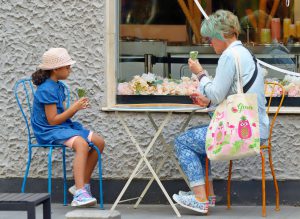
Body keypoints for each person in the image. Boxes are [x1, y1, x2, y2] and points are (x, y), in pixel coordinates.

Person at [172, 10, 269, 214]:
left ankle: (200, 198)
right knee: (198, 140)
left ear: (220, 35)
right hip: (256, 128)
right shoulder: (245, 53)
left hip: (243, 133)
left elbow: (216, 94)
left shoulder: (229, 56)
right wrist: (207, 99)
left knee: (182, 142)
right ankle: (208, 195)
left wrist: (200, 74)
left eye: (210, 39)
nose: (210, 43)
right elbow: (228, 94)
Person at [31, 48, 105, 207]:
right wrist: (74, 108)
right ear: (56, 69)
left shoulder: (58, 86)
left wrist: (75, 108)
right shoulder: (46, 89)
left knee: (99, 142)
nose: (70, 70)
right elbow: (52, 121)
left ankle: (82, 185)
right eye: (67, 67)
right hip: (48, 130)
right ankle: (79, 194)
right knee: (81, 143)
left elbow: (62, 117)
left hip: (61, 127)